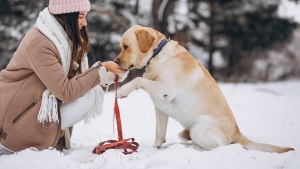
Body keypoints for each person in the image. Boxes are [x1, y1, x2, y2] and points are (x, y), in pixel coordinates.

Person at [0, 0, 127, 155]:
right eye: (81, 16)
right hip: (14, 119)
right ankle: (40, 137)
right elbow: (66, 92)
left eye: (85, 16)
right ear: (67, 15)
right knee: (89, 96)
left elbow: (79, 83)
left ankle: (52, 137)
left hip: (30, 108)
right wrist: (102, 70)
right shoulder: (40, 43)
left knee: (92, 93)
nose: (85, 23)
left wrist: (106, 75)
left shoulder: (62, 41)